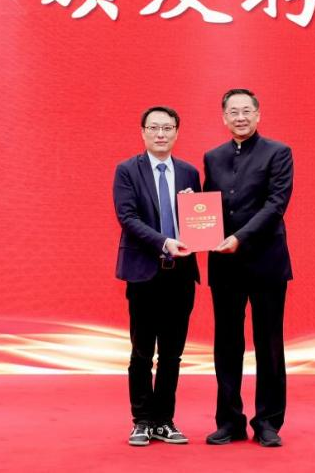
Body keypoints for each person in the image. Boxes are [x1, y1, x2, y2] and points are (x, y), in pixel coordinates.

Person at [203, 88, 294, 447]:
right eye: (233, 112)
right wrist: (191, 207)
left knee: (268, 343)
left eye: (246, 111)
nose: (240, 117)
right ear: (223, 118)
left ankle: (268, 421)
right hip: (224, 264)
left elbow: (275, 204)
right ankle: (229, 421)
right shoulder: (213, 157)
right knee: (226, 343)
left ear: (258, 115)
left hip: (266, 261)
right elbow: (209, 206)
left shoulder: (278, 152)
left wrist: (240, 237)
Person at [113, 106, 201, 446]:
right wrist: (164, 242)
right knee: (141, 352)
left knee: (172, 354)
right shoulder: (127, 171)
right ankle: (141, 420)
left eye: (167, 128)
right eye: (154, 128)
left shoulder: (189, 172)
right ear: (143, 132)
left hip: (181, 275)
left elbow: (198, 220)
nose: (160, 134)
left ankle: (164, 420)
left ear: (177, 132)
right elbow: (128, 218)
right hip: (145, 274)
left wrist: (197, 221)